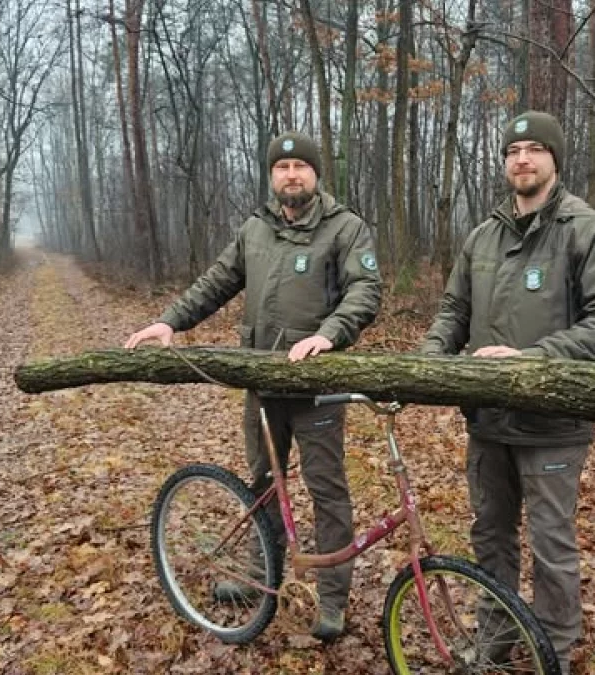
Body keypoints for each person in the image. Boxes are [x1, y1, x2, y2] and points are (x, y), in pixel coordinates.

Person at [125, 131, 382, 641]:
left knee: (328, 493)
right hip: (261, 387)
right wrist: (169, 322)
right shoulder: (255, 229)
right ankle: (260, 575)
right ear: (271, 176)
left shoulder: (345, 228)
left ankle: (332, 599)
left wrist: (329, 336)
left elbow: (366, 289)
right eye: (282, 166)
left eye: (300, 166)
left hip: (317, 391)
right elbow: (216, 282)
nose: (291, 175)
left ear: (315, 173)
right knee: (263, 484)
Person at [421, 111, 595, 672]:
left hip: (553, 424)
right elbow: (454, 310)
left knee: (551, 546)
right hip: (487, 419)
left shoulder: (588, 231)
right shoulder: (482, 236)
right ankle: (495, 636)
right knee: (490, 537)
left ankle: (553, 651)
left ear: (555, 159)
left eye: (536, 148)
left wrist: (534, 359)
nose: (523, 158)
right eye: (513, 150)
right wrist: (429, 360)